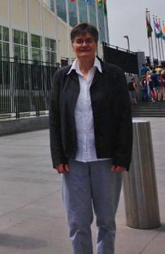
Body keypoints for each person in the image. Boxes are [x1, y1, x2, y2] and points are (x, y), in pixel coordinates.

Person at [49, 23, 133, 254]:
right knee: (77, 222)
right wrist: (58, 156)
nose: (83, 45)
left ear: (96, 44)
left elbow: (124, 117)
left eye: (88, 40)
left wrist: (122, 156)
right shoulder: (62, 77)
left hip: (106, 161)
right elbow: (55, 119)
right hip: (73, 161)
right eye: (79, 41)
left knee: (106, 222)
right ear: (73, 45)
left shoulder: (113, 75)